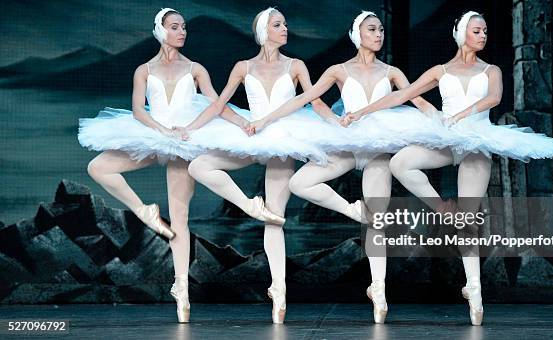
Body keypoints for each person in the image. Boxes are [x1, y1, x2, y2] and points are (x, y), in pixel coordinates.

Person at [344, 11, 553, 326]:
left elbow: (494, 98)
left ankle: (473, 288)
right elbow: (402, 95)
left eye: (485, 31)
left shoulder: (491, 70)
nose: (483, 35)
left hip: (475, 139)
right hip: (445, 140)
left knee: (468, 220)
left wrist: (461, 116)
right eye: (477, 30)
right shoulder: (440, 70)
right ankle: (442, 208)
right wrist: (361, 112)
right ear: (462, 33)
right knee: (400, 162)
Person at [247, 11, 450, 324]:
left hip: (379, 148)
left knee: (377, 218)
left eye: (381, 29)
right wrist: (267, 119)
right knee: (301, 183)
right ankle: (350, 209)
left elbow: (416, 99)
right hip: (347, 143)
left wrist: (440, 118)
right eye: (372, 29)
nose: (379, 34)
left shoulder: (392, 71)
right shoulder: (339, 70)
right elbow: (309, 98)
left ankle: (378, 289)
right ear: (358, 34)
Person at [78, 8, 250, 323]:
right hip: (154, 136)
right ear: (161, 31)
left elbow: (215, 104)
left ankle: (181, 288)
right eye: (175, 27)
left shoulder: (196, 68)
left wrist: (242, 122)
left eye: (183, 27)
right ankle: (144, 211)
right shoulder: (144, 70)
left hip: (186, 141)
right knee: (98, 167)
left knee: (180, 221)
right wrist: (160, 130)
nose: (182, 31)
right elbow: (137, 110)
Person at [180, 7, 342, 324]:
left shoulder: (296, 65)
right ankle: (249, 206)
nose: (285, 29)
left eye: (285, 24)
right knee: (199, 165)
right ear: (264, 30)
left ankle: (278, 289)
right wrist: (199, 127)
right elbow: (218, 103)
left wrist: (337, 122)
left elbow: (314, 99)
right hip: (253, 134)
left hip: (284, 139)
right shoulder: (243, 66)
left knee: (276, 218)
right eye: (278, 24)